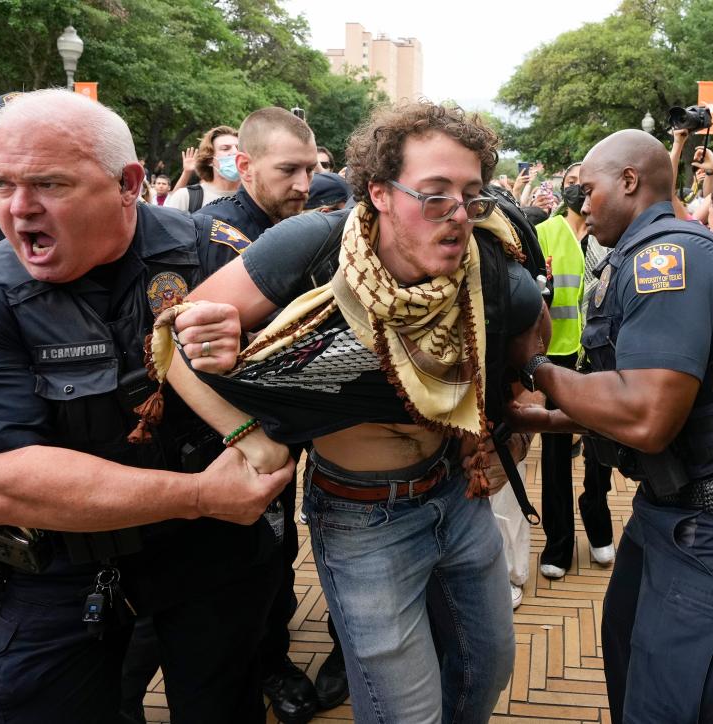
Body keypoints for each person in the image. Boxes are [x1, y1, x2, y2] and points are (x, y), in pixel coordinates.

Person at [0, 89, 293, 722]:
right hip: (60, 571)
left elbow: (311, 381)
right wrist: (200, 494)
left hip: (214, 561)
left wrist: (248, 358)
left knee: (224, 705)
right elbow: (2, 484)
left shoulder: (219, 255)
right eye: (0, 183)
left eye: (50, 183)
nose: (18, 208)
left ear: (128, 184)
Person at [170, 100, 539, 723]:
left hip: (457, 496)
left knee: (487, 669)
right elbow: (176, 345)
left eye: (471, 195)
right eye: (433, 194)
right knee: (406, 713)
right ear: (380, 194)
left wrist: (513, 428)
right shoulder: (311, 247)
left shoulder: (492, 272)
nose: (458, 215)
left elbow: (522, 362)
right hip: (365, 518)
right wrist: (245, 432)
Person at [510, 129, 713, 722]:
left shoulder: (665, 258)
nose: (580, 202)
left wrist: (533, 366)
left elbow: (646, 416)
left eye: (586, 188)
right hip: (674, 509)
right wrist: (546, 419)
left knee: (666, 709)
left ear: (628, 181)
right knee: (629, 674)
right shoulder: (649, 252)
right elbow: (652, 396)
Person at [187, 106, 322, 724]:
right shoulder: (211, 240)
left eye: (312, 169)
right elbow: (173, 352)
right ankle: (258, 665)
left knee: (275, 551)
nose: (304, 183)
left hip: (279, 433)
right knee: (236, 568)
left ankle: (273, 654)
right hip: (221, 440)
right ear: (242, 166)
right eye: (289, 170)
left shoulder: (302, 229)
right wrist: (241, 435)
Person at [534, 162, 613, 580]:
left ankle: (599, 520)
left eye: (586, 182)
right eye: (571, 181)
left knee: (601, 448)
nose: (577, 188)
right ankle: (558, 541)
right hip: (558, 356)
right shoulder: (543, 233)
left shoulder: (614, 234)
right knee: (555, 451)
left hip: (601, 357)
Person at [166, 125, 240, 213]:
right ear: (209, 160)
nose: (235, 152)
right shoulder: (185, 197)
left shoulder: (255, 200)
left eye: (239, 148)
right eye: (225, 149)